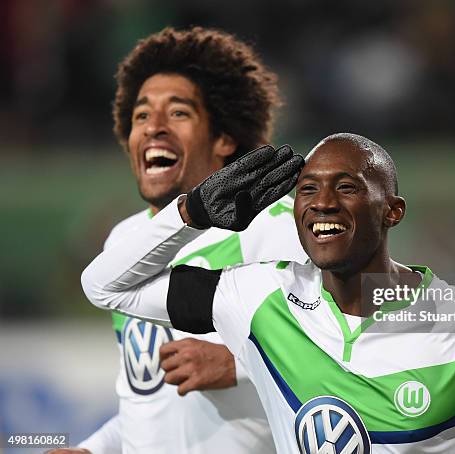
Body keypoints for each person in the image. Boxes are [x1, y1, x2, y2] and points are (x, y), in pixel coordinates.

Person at [81, 133, 455, 453]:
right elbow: (104, 285)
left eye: (347, 187)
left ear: (392, 211)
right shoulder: (260, 296)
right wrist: (192, 213)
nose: (322, 203)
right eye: (308, 189)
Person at [53, 27, 306, 454]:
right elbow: (148, 403)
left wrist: (241, 364)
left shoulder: (273, 228)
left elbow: (350, 349)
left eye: (178, 113)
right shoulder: (123, 242)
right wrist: (92, 449)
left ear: (224, 138)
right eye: (140, 115)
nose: (154, 127)